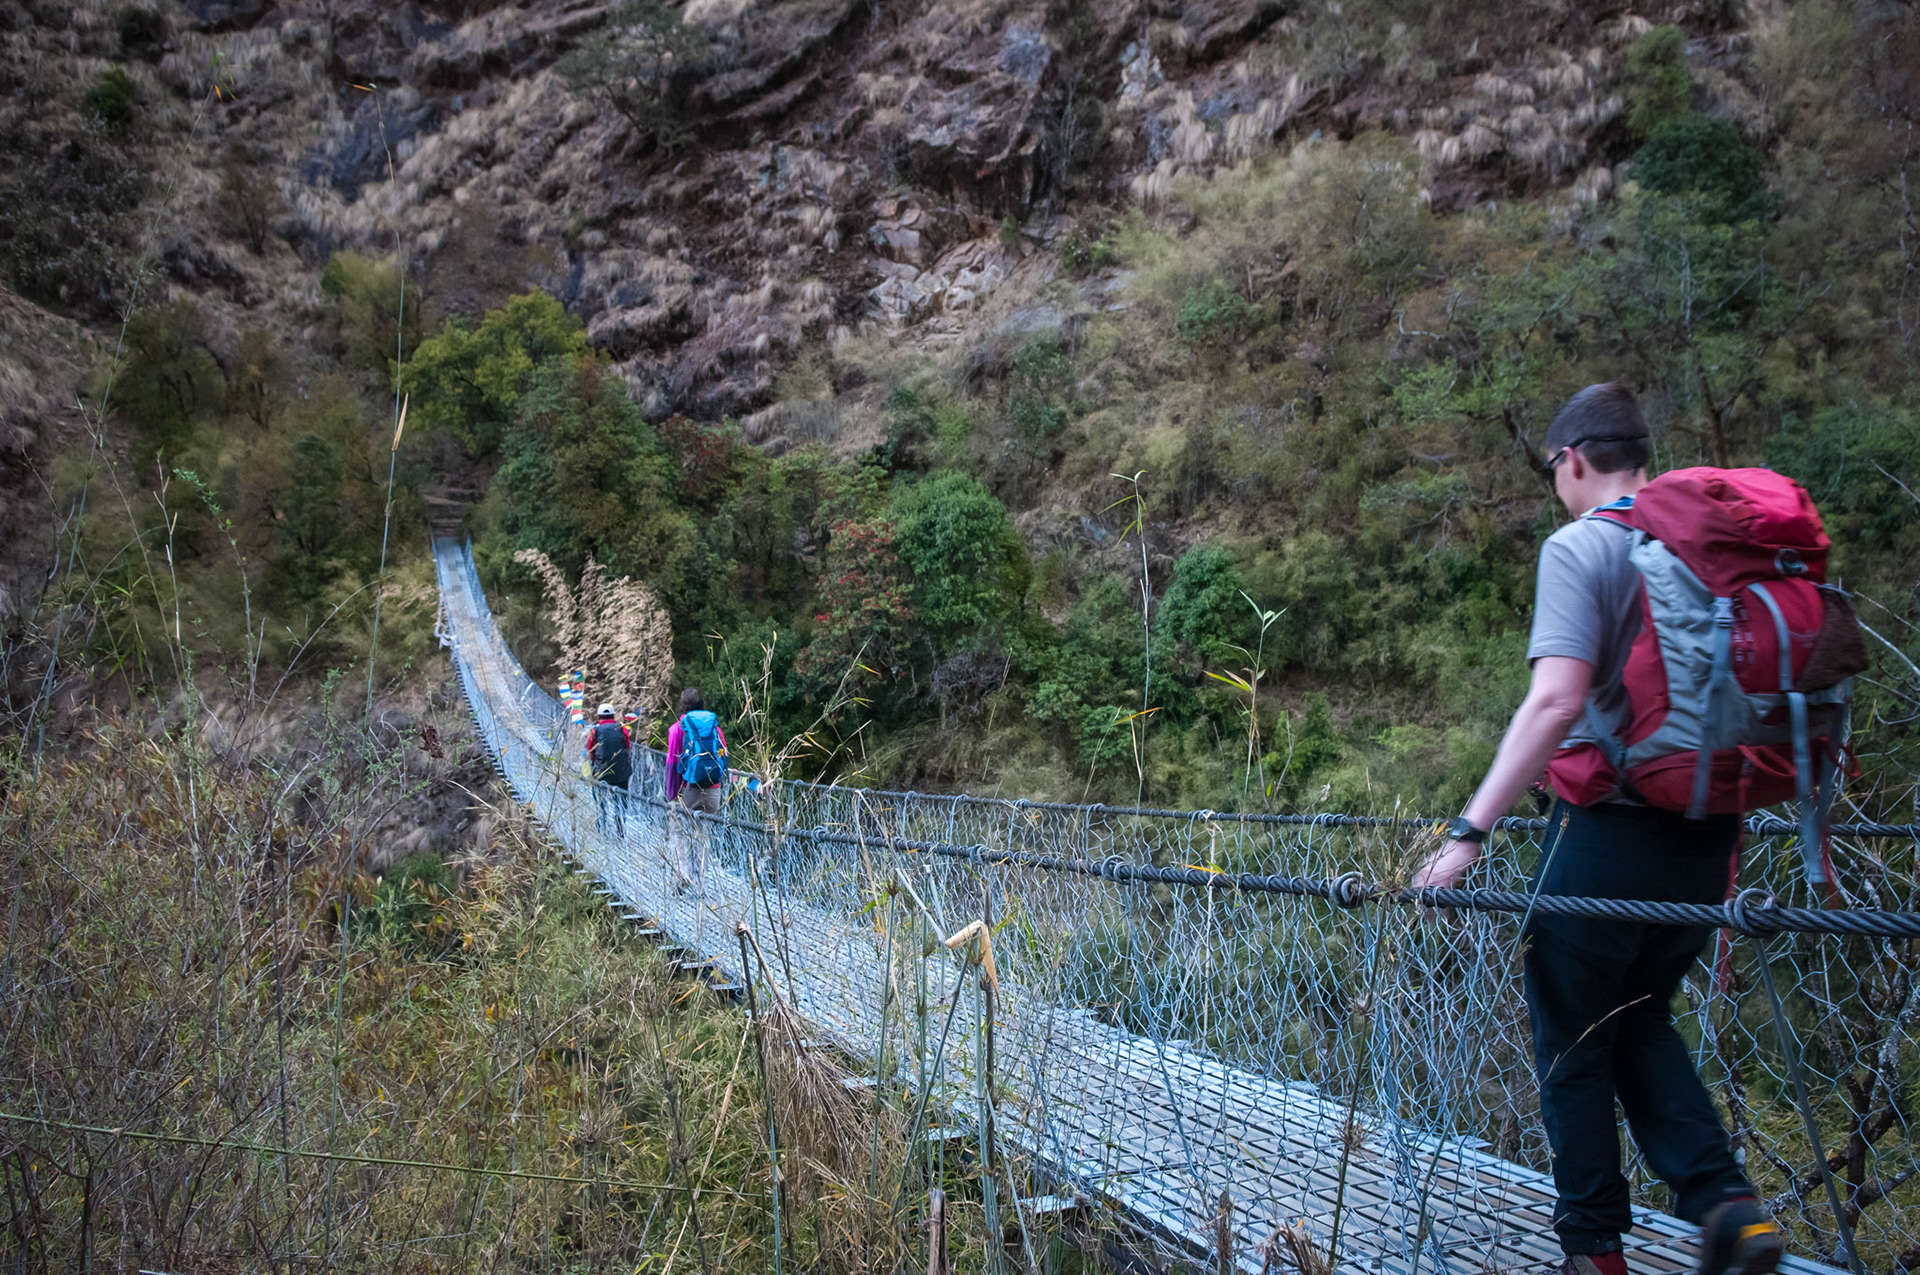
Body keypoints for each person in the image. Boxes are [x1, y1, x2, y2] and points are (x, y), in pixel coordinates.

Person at [1411, 384, 1783, 1275]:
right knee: (1641, 1011)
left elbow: (1556, 700)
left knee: (1573, 1033)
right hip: (1708, 833)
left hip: (1605, 826)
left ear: (1570, 460)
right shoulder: (1706, 549)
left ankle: (1593, 1253)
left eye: (1553, 471)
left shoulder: (1583, 546)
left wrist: (1469, 830)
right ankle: (1728, 1206)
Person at [663, 687, 729, 894]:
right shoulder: (714, 728)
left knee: (679, 834)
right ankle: (700, 886)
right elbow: (724, 757)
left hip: (687, 790)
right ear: (702, 704)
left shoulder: (677, 729)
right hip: (712, 791)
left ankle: (682, 878)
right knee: (702, 837)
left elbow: (672, 765)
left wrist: (671, 795)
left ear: (682, 705)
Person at [583, 703, 632, 837]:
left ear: (599, 716)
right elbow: (628, 748)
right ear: (613, 715)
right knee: (620, 800)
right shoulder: (622, 729)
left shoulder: (594, 731)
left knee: (600, 800)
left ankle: (602, 827)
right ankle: (620, 827)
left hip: (601, 772)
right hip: (622, 772)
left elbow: (590, 752)